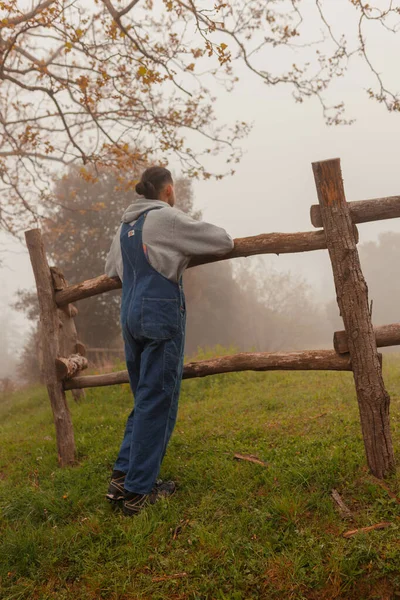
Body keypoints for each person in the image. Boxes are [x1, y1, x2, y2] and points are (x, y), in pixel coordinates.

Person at [104, 166, 234, 516]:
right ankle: (137, 494)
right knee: (158, 400)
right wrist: (177, 253)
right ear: (168, 190)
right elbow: (223, 240)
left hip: (130, 316)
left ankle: (122, 478)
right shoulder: (166, 218)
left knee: (144, 398)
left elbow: (110, 271)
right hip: (159, 313)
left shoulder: (123, 227)